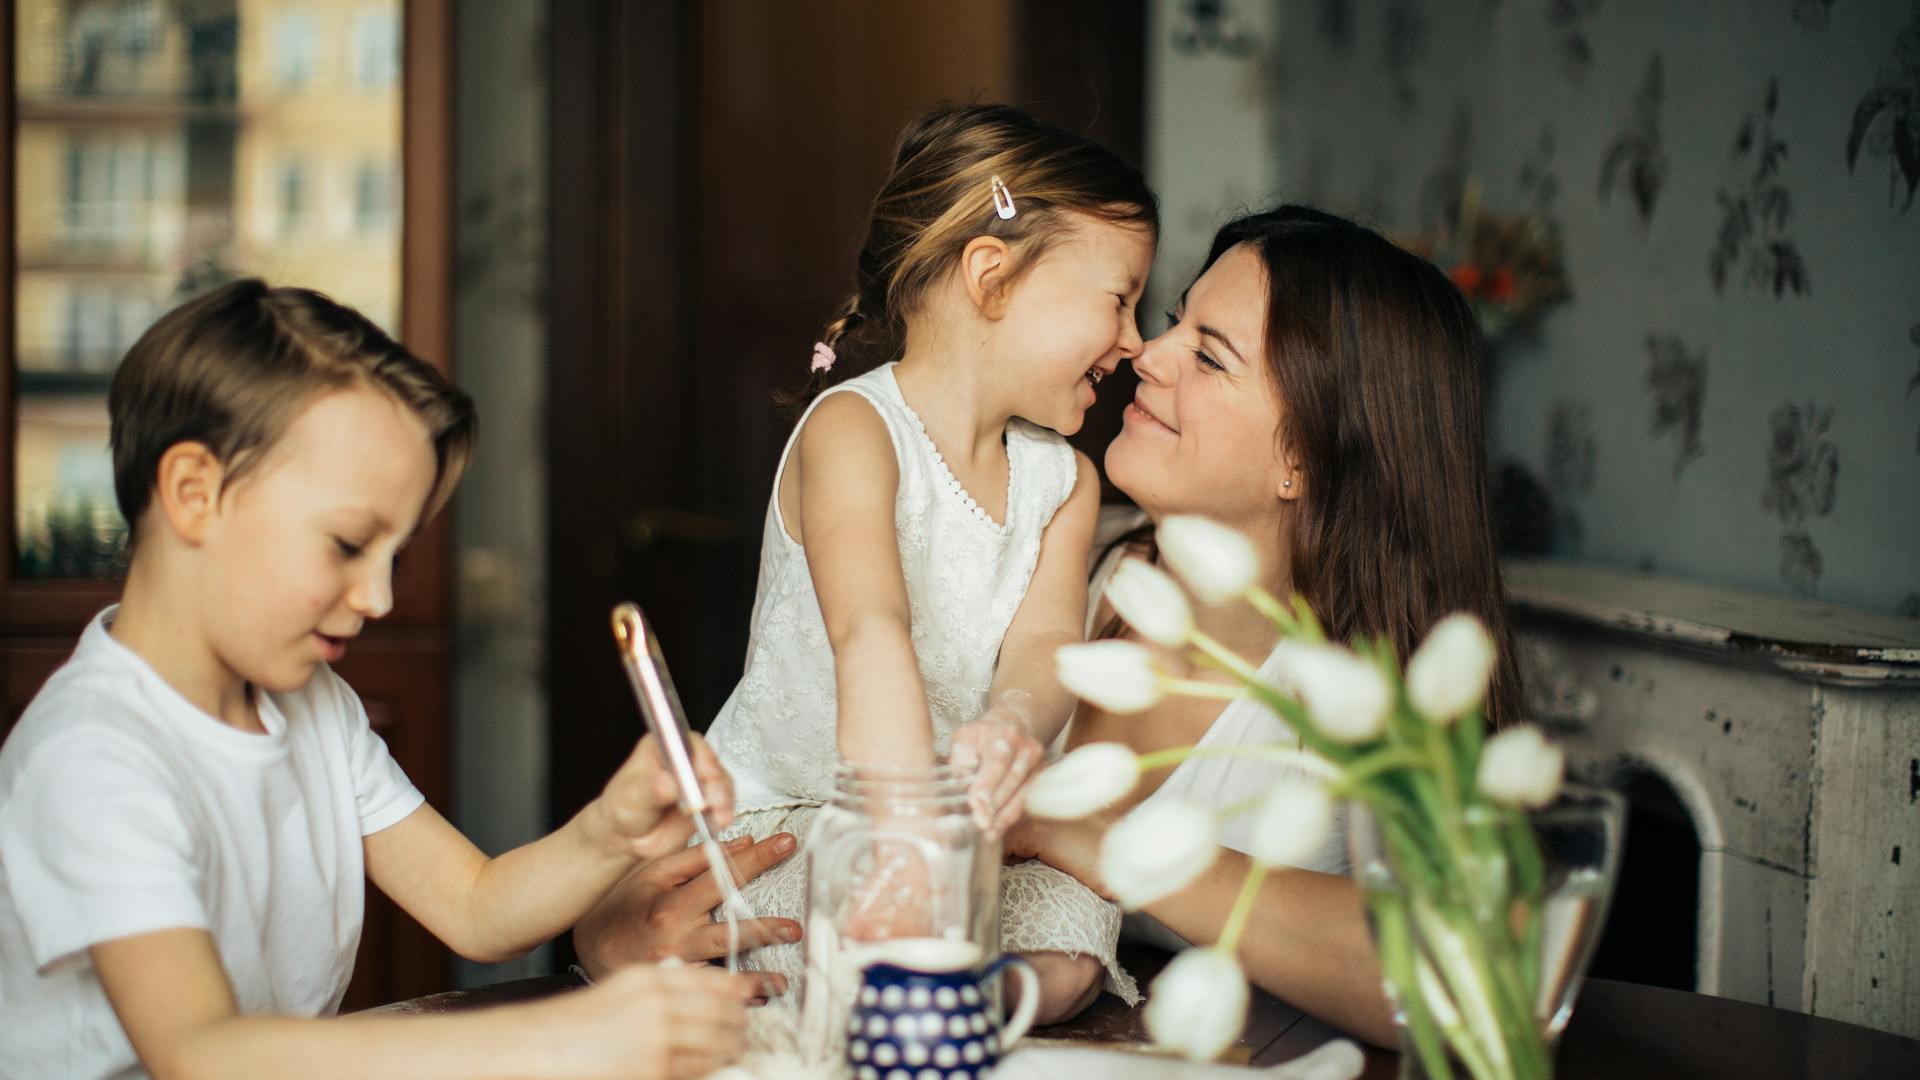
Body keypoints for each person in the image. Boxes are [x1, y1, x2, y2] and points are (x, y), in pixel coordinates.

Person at [0, 280, 760, 1080]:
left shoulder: (310, 703)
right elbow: (201, 1054)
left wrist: (612, 829)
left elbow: (474, 906)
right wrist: (567, 1037)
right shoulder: (92, 758)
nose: (380, 598)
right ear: (195, 492)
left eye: (391, 558)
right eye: (346, 544)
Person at [629, 102, 1158, 1023]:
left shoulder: (1063, 483)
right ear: (991, 277)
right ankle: (916, 984)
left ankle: (963, 996)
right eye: (1120, 298)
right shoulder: (854, 431)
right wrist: (905, 840)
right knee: (838, 920)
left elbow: (1043, 652)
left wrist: (1015, 726)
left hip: (962, 838)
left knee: (1076, 931)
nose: (1136, 340)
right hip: (804, 821)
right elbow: (868, 632)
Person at [1007, 205, 1522, 1047]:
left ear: (1304, 459)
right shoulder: (1053, 558)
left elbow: (1463, 977)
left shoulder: (1372, 697)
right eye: (1178, 321)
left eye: (1209, 355)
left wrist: (1106, 841)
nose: (1148, 351)